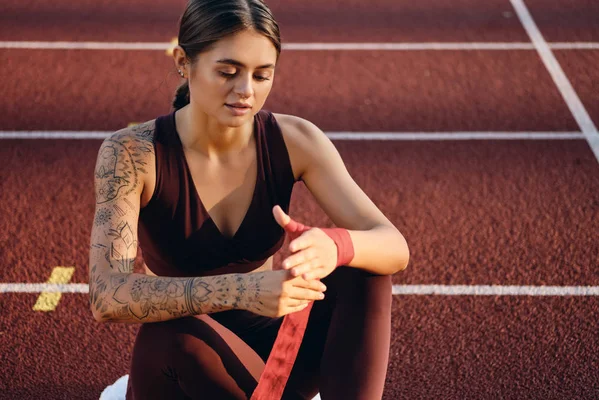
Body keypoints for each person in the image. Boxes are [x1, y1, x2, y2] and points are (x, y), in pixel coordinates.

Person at [88, 0, 410, 398]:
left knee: (364, 267)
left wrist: (335, 245)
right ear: (183, 62)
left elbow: (394, 246)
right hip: (183, 365)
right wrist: (243, 290)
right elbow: (106, 295)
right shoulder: (133, 153)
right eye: (228, 72)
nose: (246, 91)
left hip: (274, 355)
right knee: (173, 333)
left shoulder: (296, 140)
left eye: (262, 75)